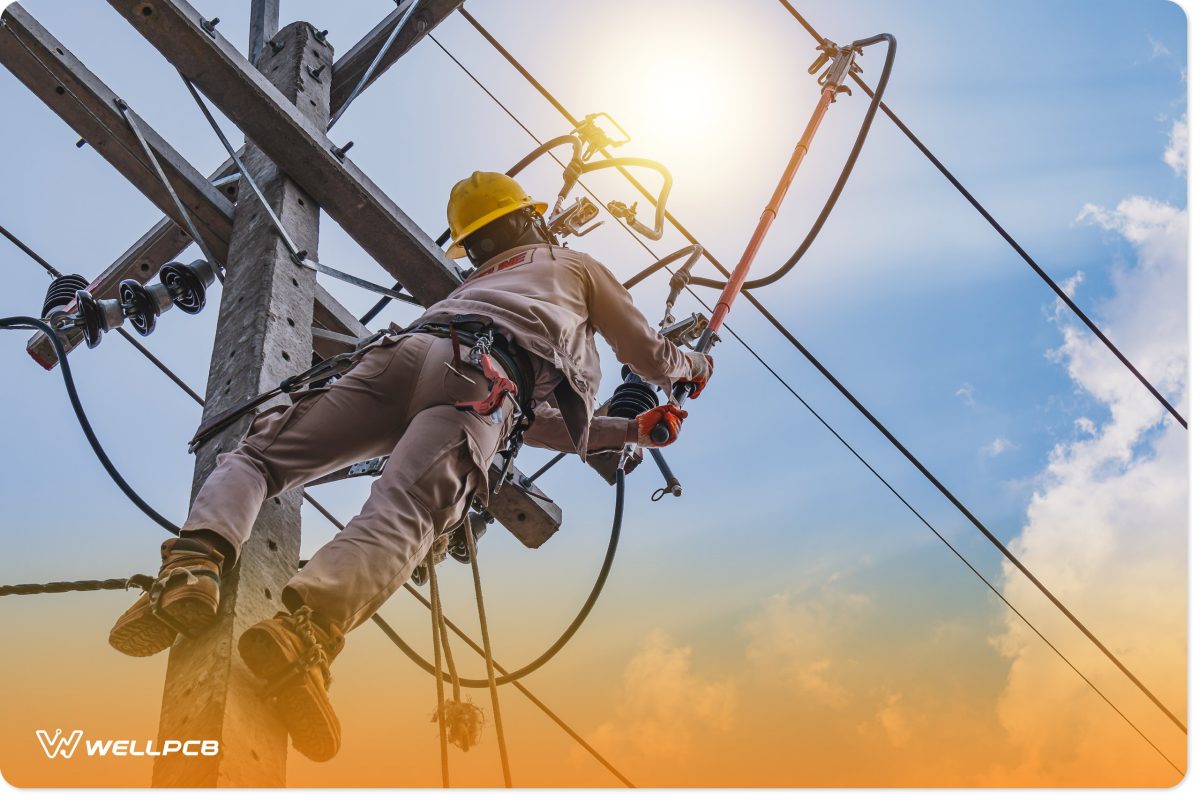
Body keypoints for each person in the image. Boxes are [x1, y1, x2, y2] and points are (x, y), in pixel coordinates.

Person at [107, 171, 713, 761]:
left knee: (262, 457)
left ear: (474, 246)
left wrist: (627, 429)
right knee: (408, 511)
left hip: (403, 355)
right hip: (487, 380)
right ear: (530, 218)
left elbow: (536, 425)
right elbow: (645, 354)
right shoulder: (573, 266)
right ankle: (303, 634)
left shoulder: (472, 286)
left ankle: (193, 565)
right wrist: (692, 366)